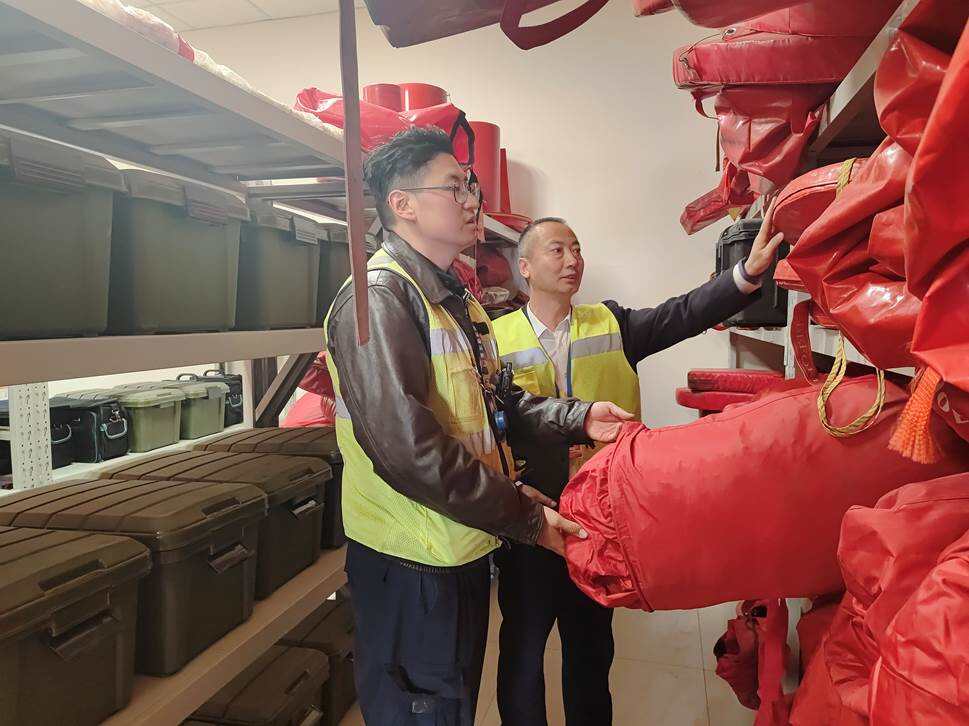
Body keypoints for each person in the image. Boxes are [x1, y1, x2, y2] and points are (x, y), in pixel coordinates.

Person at [323, 127, 635, 725]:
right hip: (410, 559)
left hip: (460, 540)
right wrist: (523, 515)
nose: (472, 201)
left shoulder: (455, 300)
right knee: (424, 710)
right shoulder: (381, 298)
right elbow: (408, 449)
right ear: (403, 204)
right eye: (454, 187)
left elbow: (499, 401)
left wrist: (577, 417)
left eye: (472, 186)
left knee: (452, 702)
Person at [491, 209, 785, 726]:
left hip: (598, 523)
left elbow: (682, 313)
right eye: (558, 250)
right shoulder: (493, 339)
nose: (573, 259)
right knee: (522, 652)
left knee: (590, 652)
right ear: (525, 267)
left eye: (577, 249)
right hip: (530, 518)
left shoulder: (612, 324)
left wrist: (744, 275)